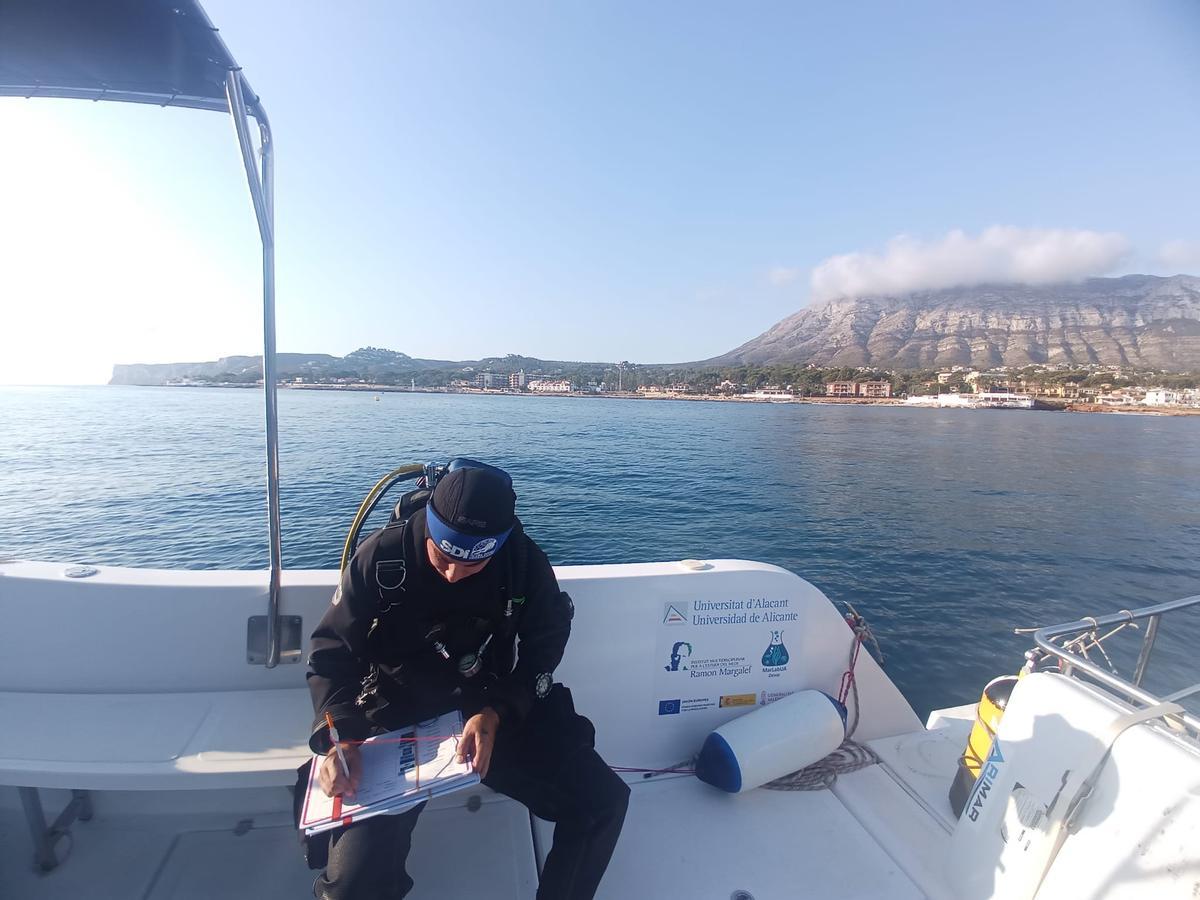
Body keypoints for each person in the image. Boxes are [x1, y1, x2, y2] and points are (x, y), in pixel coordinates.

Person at [305, 462, 629, 899]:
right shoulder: (382, 557)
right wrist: (340, 737)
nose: (455, 573)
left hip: (487, 708)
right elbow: (331, 654)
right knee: (352, 884)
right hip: (393, 718)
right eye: (444, 557)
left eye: (473, 563)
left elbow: (544, 646)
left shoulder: (523, 562)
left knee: (601, 802)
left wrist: (498, 711)